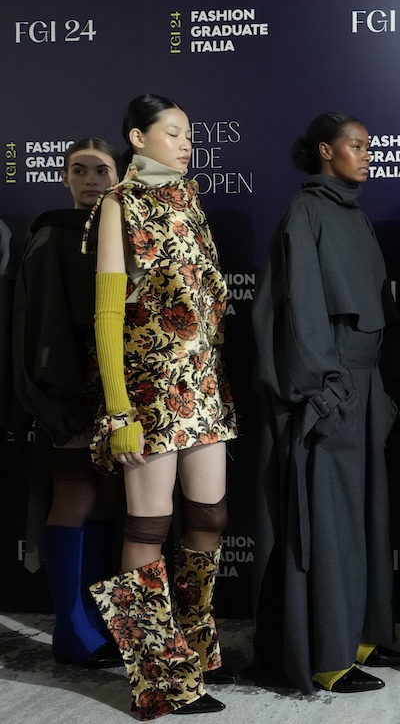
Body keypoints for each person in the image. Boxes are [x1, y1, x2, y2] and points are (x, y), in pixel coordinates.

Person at [85, 94, 237, 719]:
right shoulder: (120, 204)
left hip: (202, 388)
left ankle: (192, 652)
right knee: (147, 526)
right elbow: (108, 312)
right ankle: (156, 674)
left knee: (210, 517)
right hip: (147, 394)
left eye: (189, 135)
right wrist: (119, 411)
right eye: (172, 133)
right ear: (137, 138)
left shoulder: (190, 202)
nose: (185, 143)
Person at [249, 112, 400, 695]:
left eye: (370, 146)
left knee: (365, 513)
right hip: (330, 389)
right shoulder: (306, 213)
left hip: (364, 387)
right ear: (325, 150)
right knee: (330, 519)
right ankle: (327, 654)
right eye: (357, 145)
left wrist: (383, 386)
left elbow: (378, 308)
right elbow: (298, 310)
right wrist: (322, 388)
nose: (368, 154)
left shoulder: (354, 214)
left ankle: (361, 635)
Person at [13, 138, 123, 669]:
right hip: (69, 389)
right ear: (63, 177)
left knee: (107, 501)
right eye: (78, 170)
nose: (90, 180)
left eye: (100, 170)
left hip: (120, 389)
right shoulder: (52, 231)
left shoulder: (126, 228)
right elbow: (39, 324)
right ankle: (72, 631)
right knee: (76, 496)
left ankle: (99, 622)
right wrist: (58, 396)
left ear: (117, 176)